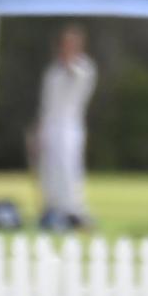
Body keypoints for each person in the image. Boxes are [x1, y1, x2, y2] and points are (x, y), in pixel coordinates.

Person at [35, 24, 97, 229]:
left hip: (70, 125)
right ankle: (53, 209)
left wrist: (69, 62)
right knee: (49, 169)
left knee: (69, 167)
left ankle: (75, 211)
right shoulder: (52, 71)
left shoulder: (84, 67)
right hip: (51, 125)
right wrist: (39, 130)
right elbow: (46, 104)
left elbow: (77, 78)